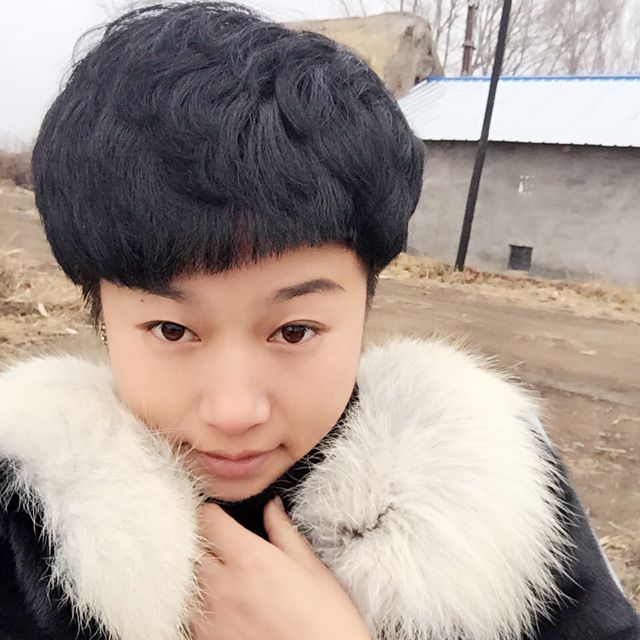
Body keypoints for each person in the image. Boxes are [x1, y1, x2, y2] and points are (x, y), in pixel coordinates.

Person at [0, 3, 638, 639]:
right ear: (99, 310)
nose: (234, 412)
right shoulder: (26, 513)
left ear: (365, 302)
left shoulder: (491, 494)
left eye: (294, 331)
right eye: (172, 331)